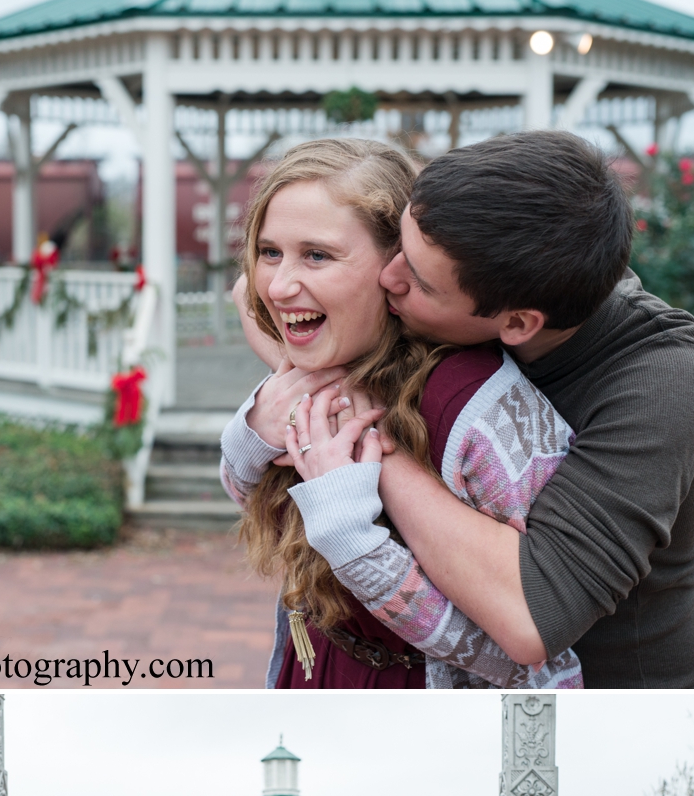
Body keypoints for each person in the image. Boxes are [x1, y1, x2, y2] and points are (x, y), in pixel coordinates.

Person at [242, 131, 694, 688]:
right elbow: (258, 300)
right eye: (399, 243)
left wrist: (366, 435)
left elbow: (531, 619)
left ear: (517, 324)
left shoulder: (664, 382)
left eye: (417, 281)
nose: (387, 277)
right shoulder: (489, 266)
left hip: (618, 697)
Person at [221, 137, 582, 690]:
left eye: (317, 255)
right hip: (315, 671)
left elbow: (536, 656)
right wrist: (252, 438)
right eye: (270, 251)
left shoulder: (483, 410)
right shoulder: (323, 360)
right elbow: (262, 499)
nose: (279, 284)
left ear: (397, 264)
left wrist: (352, 534)